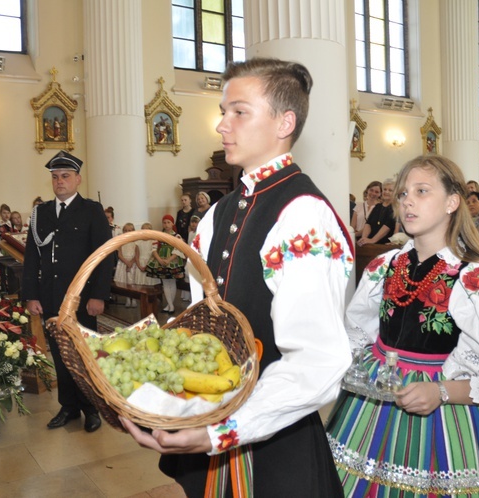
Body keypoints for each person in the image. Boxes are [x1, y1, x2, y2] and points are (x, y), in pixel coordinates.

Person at [122, 57, 354, 497]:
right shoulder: (216, 214)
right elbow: (200, 325)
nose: (221, 125)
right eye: (223, 111)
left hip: (275, 436)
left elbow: (318, 359)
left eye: (239, 112)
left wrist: (224, 431)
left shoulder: (303, 214)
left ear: (284, 121)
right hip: (215, 419)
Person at [326, 154, 479, 496]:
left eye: (422, 191)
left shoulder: (476, 279)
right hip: (372, 403)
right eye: (404, 193)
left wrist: (440, 391)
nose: (407, 200)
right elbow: (356, 337)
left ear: (452, 202)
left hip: (441, 411)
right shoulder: (383, 265)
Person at [22, 150, 113, 433]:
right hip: (51, 296)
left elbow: (105, 255)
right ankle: (69, 406)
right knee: (60, 355)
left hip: (83, 300)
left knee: (84, 355)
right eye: (54, 177)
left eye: (65, 176)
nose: (59, 181)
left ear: (77, 179)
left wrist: (98, 295)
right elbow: (32, 257)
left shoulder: (91, 210)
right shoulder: (41, 213)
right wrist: (31, 295)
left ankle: (91, 407)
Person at [144, 214, 185, 313]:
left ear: (172, 223)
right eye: (164, 222)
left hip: (172, 261)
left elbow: (179, 249)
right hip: (160, 260)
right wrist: (159, 259)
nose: (166, 225)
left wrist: (169, 259)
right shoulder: (159, 235)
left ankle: (171, 305)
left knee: (172, 282)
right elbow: (153, 249)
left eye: (168, 222)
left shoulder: (176, 236)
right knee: (165, 283)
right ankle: (169, 305)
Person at [357, 178, 396, 246]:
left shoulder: (395, 208)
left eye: (390, 190)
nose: (386, 192)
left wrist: (373, 240)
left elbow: (387, 226)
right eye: (385, 189)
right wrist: (364, 238)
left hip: (384, 244)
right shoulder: (378, 206)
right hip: (370, 243)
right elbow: (368, 223)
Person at [114, 222, 139, 308]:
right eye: (125, 230)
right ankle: (128, 299)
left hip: (133, 264)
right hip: (123, 263)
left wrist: (131, 263)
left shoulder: (136, 242)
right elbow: (119, 254)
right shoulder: (121, 241)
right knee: (126, 283)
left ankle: (134, 299)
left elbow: (136, 254)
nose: (127, 232)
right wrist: (126, 262)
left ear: (133, 231)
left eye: (129, 230)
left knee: (132, 282)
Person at [131, 222, 158, 286]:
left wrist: (147, 266)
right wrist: (139, 266)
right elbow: (136, 255)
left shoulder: (153, 241)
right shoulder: (138, 241)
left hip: (150, 263)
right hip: (140, 264)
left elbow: (153, 255)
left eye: (147, 230)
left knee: (150, 284)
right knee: (140, 284)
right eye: (143, 230)